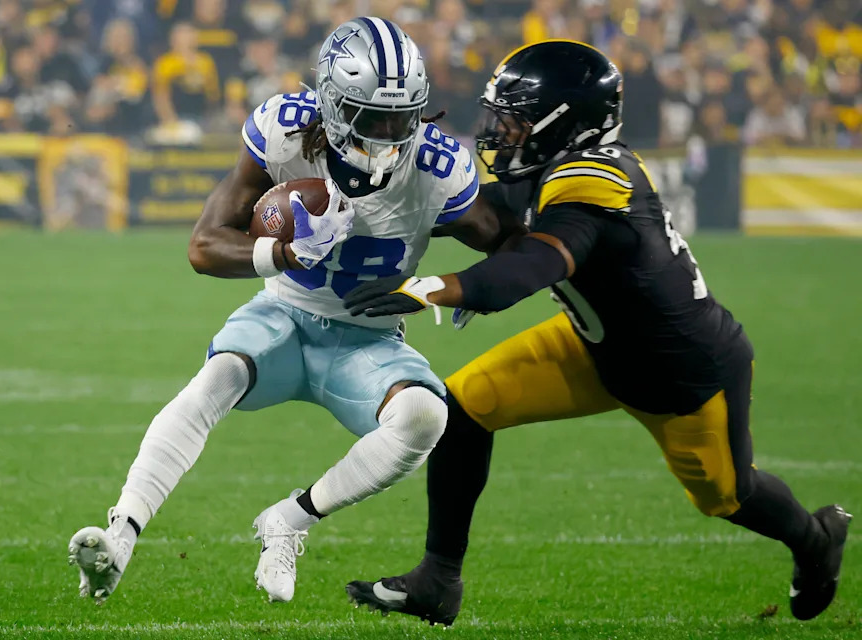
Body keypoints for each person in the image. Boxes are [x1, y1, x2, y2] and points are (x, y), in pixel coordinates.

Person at [342, 40, 852, 625]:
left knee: (726, 496)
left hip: (679, 371)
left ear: (566, 122)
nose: (500, 131)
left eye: (516, 119)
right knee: (462, 408)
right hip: (598, 346)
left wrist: (435, 288)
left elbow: (533, 266)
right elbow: (483, 215)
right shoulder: (554, 164)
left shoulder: (594, 180)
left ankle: (815, 539)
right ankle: (437, 582)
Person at [68, 17, 511, 605]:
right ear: (331, 103)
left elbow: (506, 242)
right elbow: (204, 246)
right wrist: (282, 252)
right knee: (217, 378)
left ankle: (290, 519)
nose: (388, 134)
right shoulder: (285, 132)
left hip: (368, 341)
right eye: (371, 115)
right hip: (285, 316)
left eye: (401, 117)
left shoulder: (433, 169)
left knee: (427, 418)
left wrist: (458, 287)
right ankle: (121, 534)